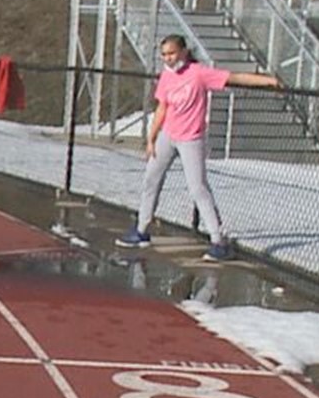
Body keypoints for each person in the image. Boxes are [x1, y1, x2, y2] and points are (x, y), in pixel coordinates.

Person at [116, 34, 284, 261]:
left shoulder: (199, 73)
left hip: (191, 139)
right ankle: (142, 230)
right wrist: (151, 138)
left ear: (183, 52)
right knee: (151, 179)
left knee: (198, 188)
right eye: (164, 55)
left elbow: (234, 77)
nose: (168, 59)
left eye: (172, 53)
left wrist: (268, 81)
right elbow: (162, 108)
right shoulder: (167, 76)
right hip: (168, 135)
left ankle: (218, 241)